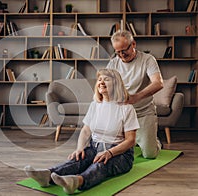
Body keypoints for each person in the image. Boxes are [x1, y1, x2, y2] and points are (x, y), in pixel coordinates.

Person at [24, 69, 139, 194]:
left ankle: (76, 182)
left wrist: (109, 153)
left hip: (119, 154)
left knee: (100, 165)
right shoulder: (95, 105)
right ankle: (47, 175)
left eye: (106, 79)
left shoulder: (127, 108)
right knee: (78, 160)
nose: (101, 82)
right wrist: (79, 148)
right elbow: (85, 131)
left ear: (116, 84)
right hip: (95, 147)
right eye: (99, 79)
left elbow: (130, 140)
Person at [106, 30, 164, 159]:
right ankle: (136, 139)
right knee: (114, 151)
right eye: (117, 52)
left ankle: (154, 141)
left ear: (133, 44)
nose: (121, 55)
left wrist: (136, 97)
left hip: (143, 112)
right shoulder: (113, 63)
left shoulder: (148, 60)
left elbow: (158, 83)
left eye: (124, 50)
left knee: (150, 154)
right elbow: (106, 85)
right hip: (122, 114)